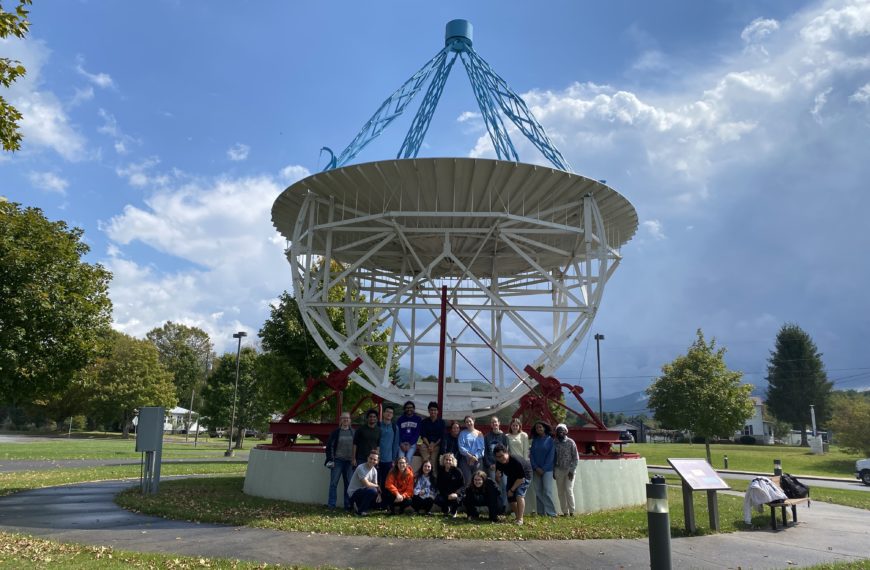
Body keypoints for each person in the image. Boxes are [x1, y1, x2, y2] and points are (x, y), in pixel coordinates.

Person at [494, 444, 531, 526]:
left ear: (506, 453)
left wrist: (512, 490)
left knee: (519, 494)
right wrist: (497, 476)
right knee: (510, 497)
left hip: (524, 476)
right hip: (512, 476)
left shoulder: (516, 461)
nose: (500, 458)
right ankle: (517, 517)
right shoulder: (499, 462)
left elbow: (521, 479)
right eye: (497, 457)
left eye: (501, 456)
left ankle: (520, 519)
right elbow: (498, 480)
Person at [324, 412, 354, 510]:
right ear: (340, 420)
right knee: (333, 483)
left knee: (348, 484)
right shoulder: (336, 432)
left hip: (349, 462)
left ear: (350, 420)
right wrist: (331, 459)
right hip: (337, 461)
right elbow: (330, 446)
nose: (345, 420)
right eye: (343, 418)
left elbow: (357, 446)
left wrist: (354, 459)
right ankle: (331, 505)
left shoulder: (354, 432)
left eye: (347, 418)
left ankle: (347, 505)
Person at [529, 420, 558, 517]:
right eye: (537, 428)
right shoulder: (535, 441)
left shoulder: (550, 440)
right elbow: (531, 455)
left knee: (547, 491)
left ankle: (551, 513)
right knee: (538, 491)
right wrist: (536, 467)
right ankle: (541, 513)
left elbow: (551, 456)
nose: (539, 429)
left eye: (540, 427)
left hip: (547, 470)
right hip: (536, 469)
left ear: (544, 428)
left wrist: (543, 469)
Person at [483, 416, 509, 511]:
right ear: (491, 424)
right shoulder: (487, 436)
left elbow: (506, 452)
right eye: (492, 422)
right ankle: (495, 506)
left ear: (499, 423)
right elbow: (485, 452)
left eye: (496, 422)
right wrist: (489, 464)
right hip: (492, 466)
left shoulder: (504, 437)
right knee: (494, 487)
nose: (494, 424)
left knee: (505, 485)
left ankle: (504, 506)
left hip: (503, 465)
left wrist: (502, 464)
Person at [553, 423, 579, 516]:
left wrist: (572, 470)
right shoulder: (554, 442)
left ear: (566, 431)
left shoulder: (571, 442)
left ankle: (572, 511)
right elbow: (553, 457)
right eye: (558, 430)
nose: (560, 432)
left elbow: (576, 458)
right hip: (558, 469)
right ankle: (565, 512)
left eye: (562, 430)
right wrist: (553, 471)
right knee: (560, 492)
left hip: (569, 470)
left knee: (568, 490)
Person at [347, 449, 382, 516]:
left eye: (374, 459)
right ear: (367, 458)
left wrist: (379, 495)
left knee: (377, 497)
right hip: (354, 494)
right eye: (370, 458)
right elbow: (366, 484)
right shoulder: (361, 467)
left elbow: (375, 484)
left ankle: (357, 506)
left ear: (377, 461)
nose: (372, 461)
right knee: (372, 490)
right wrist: (377, 486)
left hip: (364, 492)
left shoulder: (374, 471)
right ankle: (360, 511)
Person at [377, 405, 399, 492]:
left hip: (389, 459)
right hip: (377, 459)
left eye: (391, 413)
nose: (389, 414)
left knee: (387, 482)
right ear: (384, 413)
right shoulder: (378, 425)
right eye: (387, 412)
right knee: (377, 480)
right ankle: (377, 501)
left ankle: (385, 502)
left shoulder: (395, 427)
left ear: (392, 415)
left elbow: (396, 444)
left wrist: (394, 459)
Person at [458, 415, 484, 485]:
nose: (469, 423)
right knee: (468, 481)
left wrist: (475, 457)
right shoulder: (462, 433)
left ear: (474, 421)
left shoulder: (479, 433)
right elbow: (461, 447)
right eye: (466, 422)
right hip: (465, 461)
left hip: (477, 460)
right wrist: (470, 456)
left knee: (478, 481)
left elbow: (482, 448)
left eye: (470, 421)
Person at [436, 452, 464, 517]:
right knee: (438, 499)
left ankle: (454, 511)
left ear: (452, 461)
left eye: (450, 460)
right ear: (443, 460)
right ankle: (446, 509)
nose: (448, 461)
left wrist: (456, 494)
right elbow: (439, 486)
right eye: (446, 459)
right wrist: (447, 495)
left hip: (455, 494)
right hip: (445, 494)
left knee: (457, 499)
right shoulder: (440, 472)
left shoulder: (458, 471)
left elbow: (462, 485)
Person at [419, 401, 445, 467]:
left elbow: (441, 437)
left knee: (433, 462)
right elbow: (423, 436)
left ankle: (433, 476)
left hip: (436, 445)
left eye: (435, 410)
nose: (433, 412)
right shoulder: (424, 422)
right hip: (426, 444)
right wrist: (429, 445)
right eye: (431, 410)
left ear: (438, 411)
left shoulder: (441, 422)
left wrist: (433, 445)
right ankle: (424, 476)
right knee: (426, 461)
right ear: (428, 411)